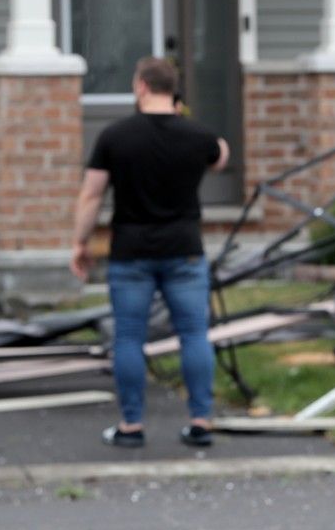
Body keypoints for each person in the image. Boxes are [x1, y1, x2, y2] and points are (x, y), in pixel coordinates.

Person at [70, 57, 229, 449]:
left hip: (131, 252)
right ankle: (200, 421)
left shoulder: (115, 136)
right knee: (194, 334)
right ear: (174, 91)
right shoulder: (197, 136)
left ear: (141, 86)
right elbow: (221, 157)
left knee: (128, 338)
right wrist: (186, 118)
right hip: (184, 250)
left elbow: (91, 194)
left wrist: (80, 243)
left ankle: (131, 426)